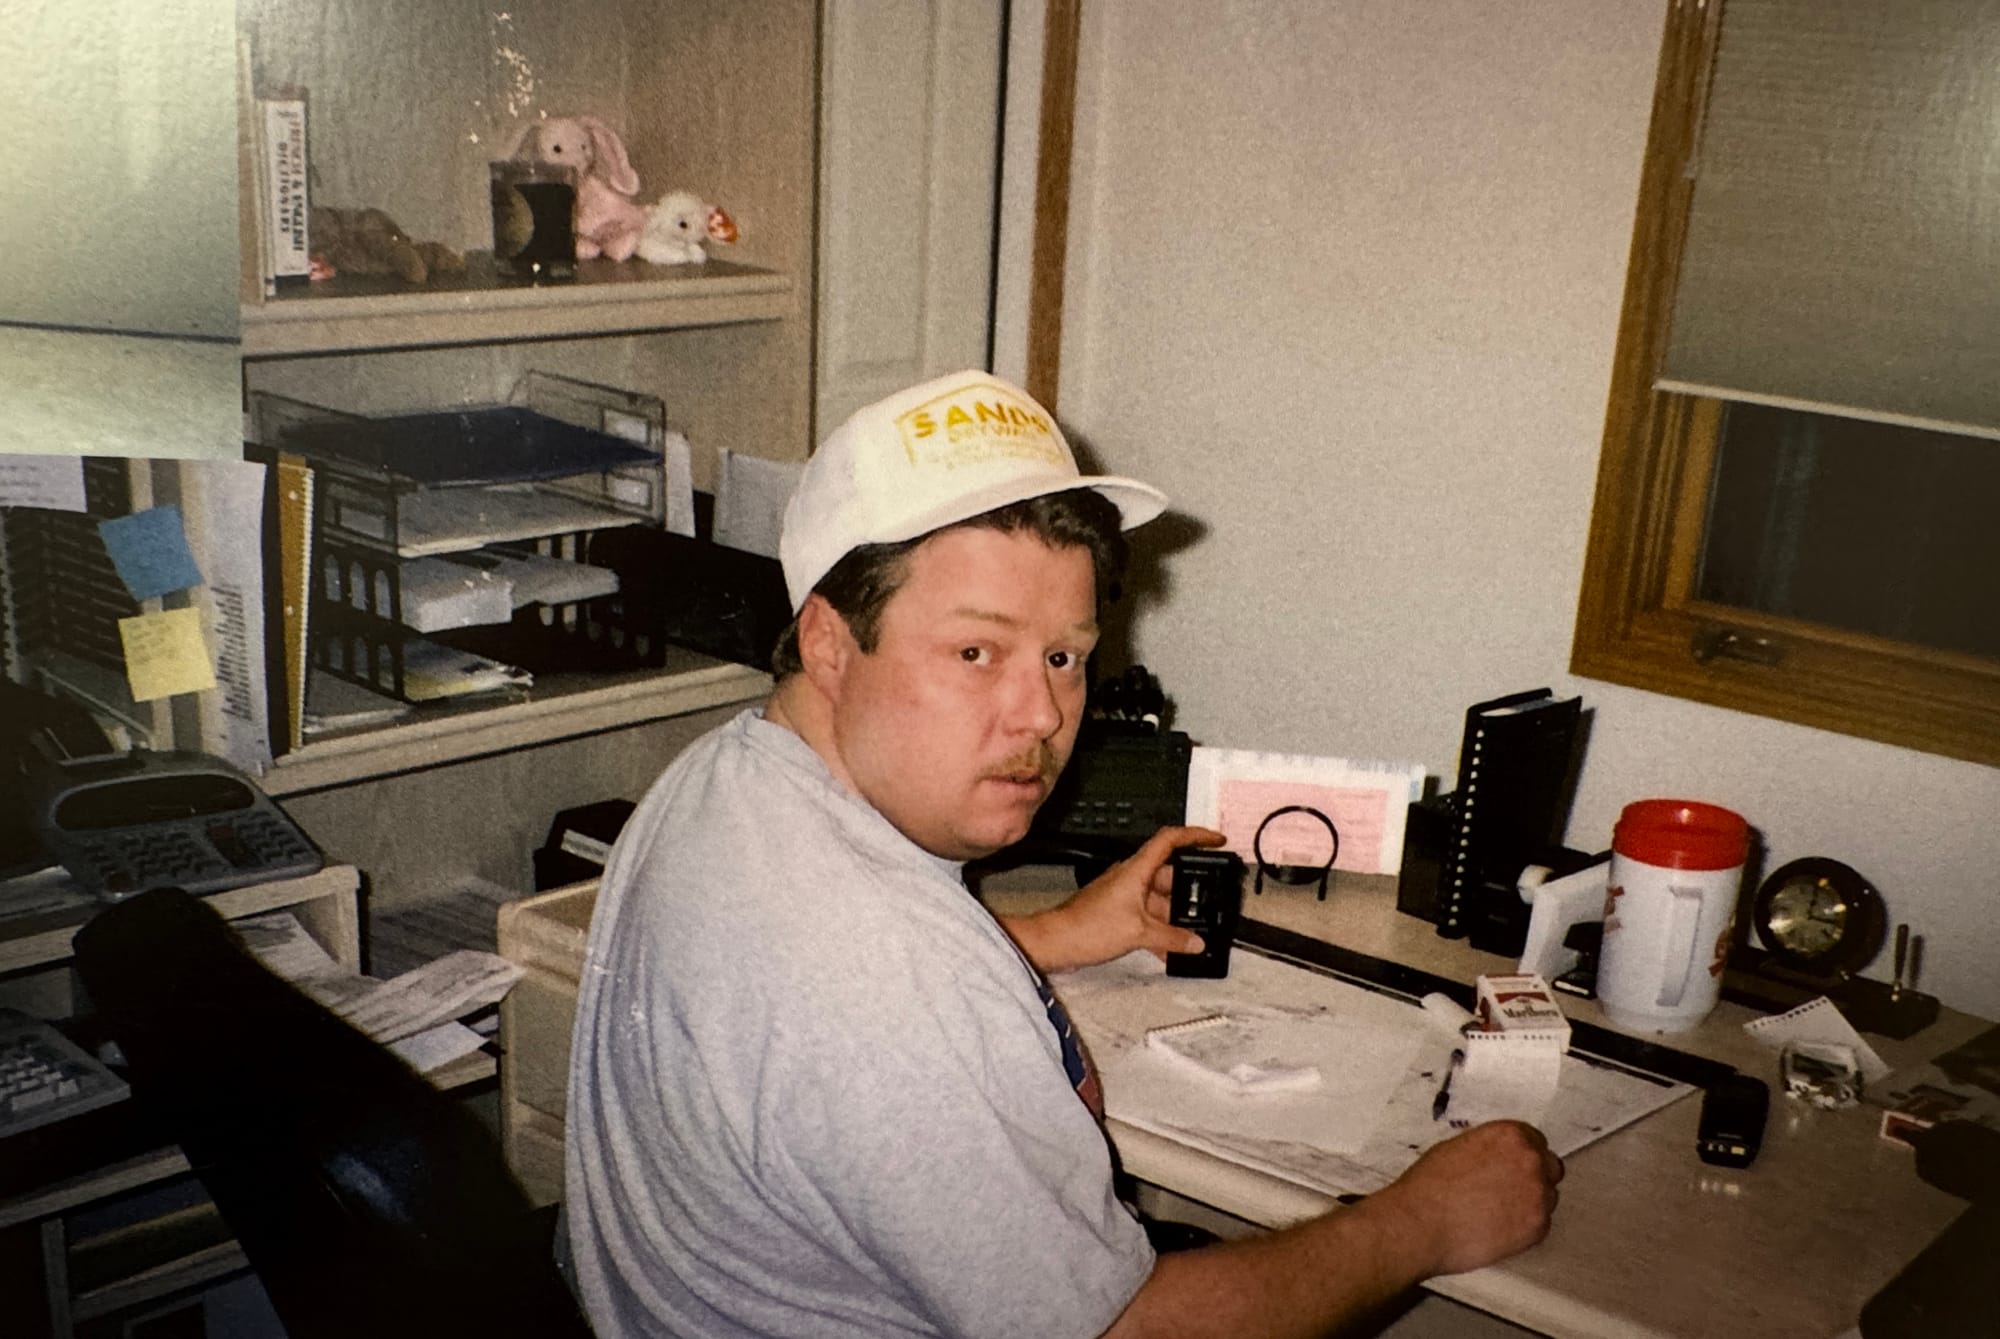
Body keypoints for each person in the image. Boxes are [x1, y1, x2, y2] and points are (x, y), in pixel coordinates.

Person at [562, 369, 1564, 1338]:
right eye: (974, 652)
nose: (1040, 713)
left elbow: (817, 1007)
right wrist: (1422, 1221)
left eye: (1063, 656)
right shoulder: (883, 975)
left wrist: (1041, 936)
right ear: (828, 641)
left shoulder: (724, 781)